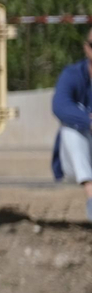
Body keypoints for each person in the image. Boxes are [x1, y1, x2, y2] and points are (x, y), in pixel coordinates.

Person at [50, 34, 92, 223]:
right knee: (71, 123)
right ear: (86, 47)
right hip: (75, 165)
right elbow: (60, 106)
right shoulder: (72, 74)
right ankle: (91, 191)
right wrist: (88, 120)